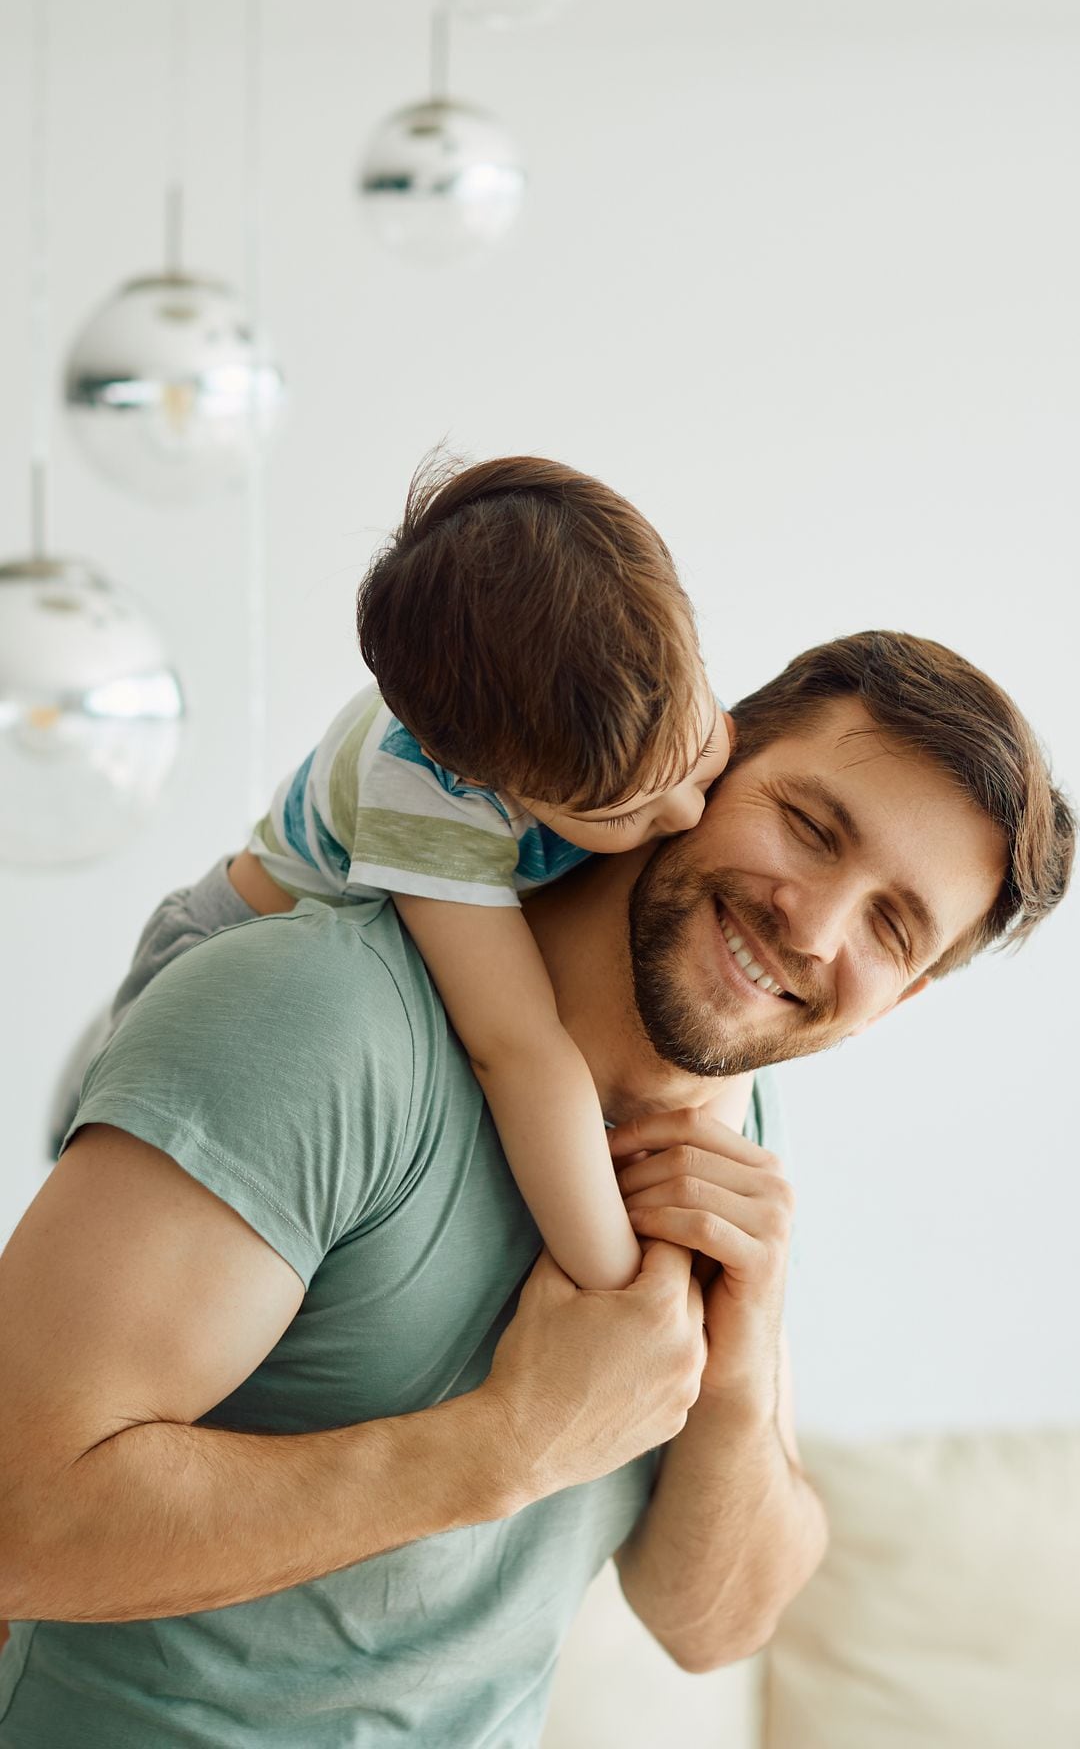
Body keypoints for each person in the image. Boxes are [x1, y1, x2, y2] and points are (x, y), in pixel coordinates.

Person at [0, 631, 1072, 1748]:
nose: (811, 927)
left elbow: (713, 1622)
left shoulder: (734, 1127)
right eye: (808, 828)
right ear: (709, 766)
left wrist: (739, 1362)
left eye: (891, 927)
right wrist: (505, 1447)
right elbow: (14, 1515)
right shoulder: (319, 1019)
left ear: (895, 1001)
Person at [236, 454, 731, 1293]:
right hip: (236, 957)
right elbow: (518, 1050)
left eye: (701, 747)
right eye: (622, 815)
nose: (685, 815)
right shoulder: (428, 793)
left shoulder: (638, 683)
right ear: (492, 783)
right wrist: (621, 1288)